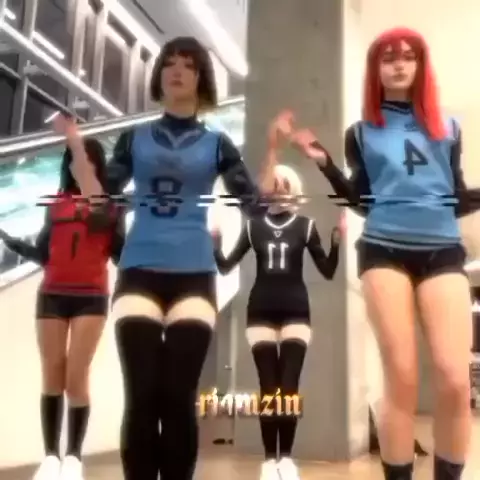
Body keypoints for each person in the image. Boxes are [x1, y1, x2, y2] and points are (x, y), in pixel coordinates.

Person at [54, 36, 280, 480]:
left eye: (188, 65)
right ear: (159, 75)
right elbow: (102, 206)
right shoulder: (133, 139)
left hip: (194, 274)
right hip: (139, 271)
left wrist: (272, 151)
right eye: (170, 63)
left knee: (177, 397)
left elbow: (253, 205)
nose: (177, 71)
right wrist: (80, 155)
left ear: (201, 79)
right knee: (143, 395)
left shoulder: (218, 144)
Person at [278, 27, 480, 480]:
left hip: (443, 249)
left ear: (421, 65)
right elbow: (361, 200)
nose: (399, 65)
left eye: (408, 56)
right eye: (388, 58)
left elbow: (454, 195)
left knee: (454, 379)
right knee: (402, 377)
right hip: (384, 249)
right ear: (376, 69)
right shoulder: (362, 133)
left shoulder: (448, 128)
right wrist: (324, 161)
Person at [0, 139, 124, 480]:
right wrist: (11, 241)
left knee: (75, 377)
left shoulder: (111, 207)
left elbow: (120, 253)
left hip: (91, 297)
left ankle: (73, 457)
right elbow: (44, 253)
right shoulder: (55, 204)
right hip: (52, 295)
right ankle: (51, 457)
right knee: (52, 374)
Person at [213, 163, 341, 480]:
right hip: (260, 312)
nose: (280, 187)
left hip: (296, 312)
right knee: (269, 387)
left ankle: (286, 458)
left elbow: (327, 270)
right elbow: (226, 266)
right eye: (275, 182)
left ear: (293, 188)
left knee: (289, 386)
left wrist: (337, 243)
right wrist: (214, 244)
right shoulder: (254, 226)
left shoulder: (305, 226)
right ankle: (270, 460)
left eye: (285, 182)